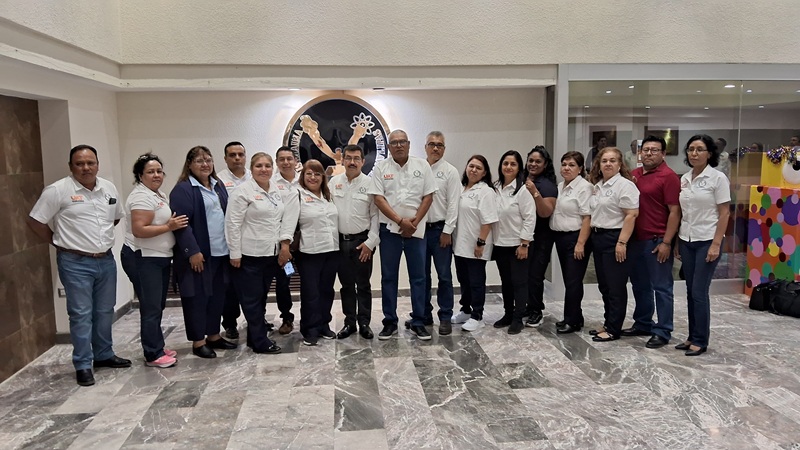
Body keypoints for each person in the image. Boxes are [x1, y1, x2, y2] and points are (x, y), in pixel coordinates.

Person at [27, 144, 131, 386]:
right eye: (80, 164)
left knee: (105, 311)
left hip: (105, 259)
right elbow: (35, 221)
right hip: (75, 262)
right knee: (81, 314)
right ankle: (83, 364)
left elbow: (115, 217)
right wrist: (58, 241)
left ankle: (103, 355)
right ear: (71, 166)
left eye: (90, 163)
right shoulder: (58, 190)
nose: (86, 168)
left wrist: (98, 239)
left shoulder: (108, 188)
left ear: (97, 165)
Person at [170, 146, 237, 358]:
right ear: (189, 164)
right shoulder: (183, 189)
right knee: (197, 298)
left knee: (217, 296)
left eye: (208, 160)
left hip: (221, 252)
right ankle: (198, 341)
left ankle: (214, 336)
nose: (205, 164)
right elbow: (182, 225)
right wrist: (192, 251)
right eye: (199, 161)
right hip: (199, 256)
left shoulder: (218, 185)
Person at [225, 152, 295, 354]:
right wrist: (235, 253)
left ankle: (254, 336)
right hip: (249, 255)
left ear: (273, 168)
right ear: (252, 168)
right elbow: (232, 223)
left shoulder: (275, 190)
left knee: (261, 298)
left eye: (267, 166)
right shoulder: (242, 192)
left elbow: (281, 219)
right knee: (252, 300)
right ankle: (259, 342)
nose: (264, 170)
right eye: (259, 166)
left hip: (270, 254)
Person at [370, 129, 436, 340]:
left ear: (408, 144)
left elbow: (428, 197)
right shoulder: (381, 168)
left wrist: (412, 223)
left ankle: (419, 321)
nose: (398, 145)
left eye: (402, 142)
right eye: (394, 143)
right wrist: (400, 222)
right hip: (390, 231)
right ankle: (389, 321)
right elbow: (378, 199)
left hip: (416, 230)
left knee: (419, 277)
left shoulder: (422, 166)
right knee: (389, 277)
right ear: (389, 147)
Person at [125, 153, 188, 368]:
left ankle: (157, 346)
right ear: (140, 175)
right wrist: (169, 226)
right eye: (150, 172)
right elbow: (139, 230)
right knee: (151, 307)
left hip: (159, 257)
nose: (156, 175)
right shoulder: (140, 197)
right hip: (143, 258)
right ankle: (152, 354)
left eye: (159, 171)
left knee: (157, 305)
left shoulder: (157, 194)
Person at [622, 136, 681, 349]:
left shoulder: (669, 176)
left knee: (662, 287)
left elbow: (675, 212)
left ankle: (663, 330)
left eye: (654, 150)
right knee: (640, 286)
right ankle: (643, 323)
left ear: (663, 154)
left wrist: (667, 242)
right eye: (645, 150)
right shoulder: (634, 175)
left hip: (657, 241)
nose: (648, 153)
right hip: (636, 240)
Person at [675, 134, 730, 356]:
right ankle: (691, 336)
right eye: (691, 149)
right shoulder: (685, 178)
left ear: (709, 153)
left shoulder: (718, 178)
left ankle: (700, 339)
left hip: (707, 240)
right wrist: (677, 241)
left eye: (699, 149)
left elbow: (724, 213)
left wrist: (716, 244)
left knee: (699, 291)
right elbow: (682, 212)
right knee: (690, 291)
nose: (694, 153)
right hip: (687, 239)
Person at [587, 147, 639, 342]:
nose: (608, 164)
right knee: (604, 286)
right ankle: (608, 322)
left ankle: (613, 328)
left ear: (619, 164)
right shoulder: (598, 186)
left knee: (615, 286)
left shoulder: (625, 185)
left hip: (615, 238)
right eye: (604, 161)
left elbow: (631, 215)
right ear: (599, 165)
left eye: (612, 160)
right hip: (598, 237)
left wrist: (622, 242)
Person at [412, 131, 460, 336]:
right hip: (420, 230)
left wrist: (448, 230)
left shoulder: (450, 172)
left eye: (439, 145)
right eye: (431, 144)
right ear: (425, 147)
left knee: (444, 276)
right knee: (421, 276)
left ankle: (445, 316)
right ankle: (424, 314)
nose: (435, 148)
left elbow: (454, 204)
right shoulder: (417, 169)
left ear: (444, 149)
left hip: (440, 231)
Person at [331, 145, 379, 340]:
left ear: (362, 161)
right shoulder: (333, 183)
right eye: (348, 158)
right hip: (340, 242)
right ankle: (349, 322)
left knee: (363, 285)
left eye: (356, 158)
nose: (352, 162)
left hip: (362, 243)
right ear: (342, 160)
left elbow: (375, 215)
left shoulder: (371, 184)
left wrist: (370, 243)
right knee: (346, 285)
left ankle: (364, 323)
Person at [451, 155, 499, 331]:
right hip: (460, 244)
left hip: (476, 245)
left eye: (478, 168)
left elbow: (488, 221)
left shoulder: (486, 191)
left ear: (484, 173)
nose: (473, 170)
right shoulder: (462, 189)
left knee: (476, 281)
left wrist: (480, 242)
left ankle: (477, 315)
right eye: (471, 166)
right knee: (463, 279)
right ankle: (466, 310)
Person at [296, 159, 340, 346]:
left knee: (326, 291)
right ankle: (310, 329)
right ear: (303, 176)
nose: (313, 177)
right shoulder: (297, 194)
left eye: (317, 174)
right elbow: (289, 223)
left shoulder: (329, 196)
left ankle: (324, 325)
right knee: (311, 293)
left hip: (331, 250)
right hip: (309, 252)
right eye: (309, 173)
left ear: (323, 177)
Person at [491, 150, 535, 335]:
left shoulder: (523, 190)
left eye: (513, 164)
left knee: (519, 283)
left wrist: (524, 244)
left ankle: (518, 318)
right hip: (500, 244)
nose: (508, 167)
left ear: (519, 168)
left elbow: (530, 218)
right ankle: (508, 314)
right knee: (506, 282)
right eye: (505, 163)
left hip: (518, 245)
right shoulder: (495, 187)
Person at [550, 151, 593, 334]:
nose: (566, 168)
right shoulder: (560, 186)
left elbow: (587, 218)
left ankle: (572, 321)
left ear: (580, 169)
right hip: (560, 238)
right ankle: (575, 316)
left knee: (574, 281)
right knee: (569, 280)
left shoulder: (584, 187)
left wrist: (580, 243)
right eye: (564, 164)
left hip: (576, 238)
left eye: (572, 165)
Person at [216, 141, 251, 339]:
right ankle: (230, 323)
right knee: (229, 287)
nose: (237, 158)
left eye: (240, 154)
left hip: (252, 241)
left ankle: (256, 319)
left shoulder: (254, 177)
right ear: (225, 158)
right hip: (229, 241)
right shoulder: (218, 180)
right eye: (232, 155)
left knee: (253, 286)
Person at [523, 146, 558, 327]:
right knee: (524, 275)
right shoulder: (523, 180)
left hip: (542, 238)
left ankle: (536, 311)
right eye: (531, 160)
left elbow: (545, 212)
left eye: (538, 161)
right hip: (524, 237)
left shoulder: (547, 185)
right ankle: (528, 307)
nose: (533, 164)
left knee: (535, 275)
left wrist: (535, 192)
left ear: (545, 164)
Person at [271, 146, 300, 334]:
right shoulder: (271, 183)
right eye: (282, 159)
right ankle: (287, 317)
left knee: (310, 282)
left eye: (289, 158)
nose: (286, 162)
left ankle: (313, 318)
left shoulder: (305, 180)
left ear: (296, 161)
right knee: (284, 281)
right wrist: (284, 245)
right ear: (277, 162)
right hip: (283, 243)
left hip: (304, 241)